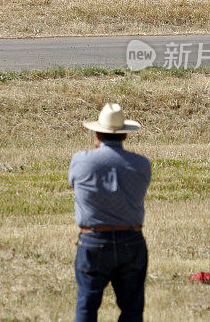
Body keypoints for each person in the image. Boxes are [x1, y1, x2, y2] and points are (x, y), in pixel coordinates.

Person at [69, 103, 152, 322]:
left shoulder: (80, 160)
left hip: (93, 239)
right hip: (132, 239)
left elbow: (75, 185)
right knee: (132, 309)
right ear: (125, 135)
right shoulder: (142, 164)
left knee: (87, 305)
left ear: (96, 133)